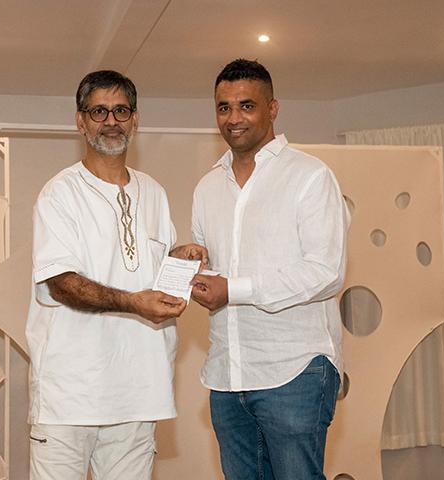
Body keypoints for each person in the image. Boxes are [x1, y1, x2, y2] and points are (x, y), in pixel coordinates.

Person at [26, 69, 206, 480]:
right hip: (70, 397)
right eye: (99, 112)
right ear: (81, 121)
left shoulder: (153, 191)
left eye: (121, 111)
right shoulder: (61, 193)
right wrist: (132, 302)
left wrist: (179, 258)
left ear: (135, 119)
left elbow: (147, 268)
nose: (111, 121)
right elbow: (61, 283)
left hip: (139, 393)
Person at [190, 59, 350, 479]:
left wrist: (233, 289)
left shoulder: (309, 176)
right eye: (224, 107)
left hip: (295, 369)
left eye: (246, 105)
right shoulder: (207, 186)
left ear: (273, 108)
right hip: (227, 374)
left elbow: (326, 272)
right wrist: (190, 266)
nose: (234, 118)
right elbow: (213, 271)